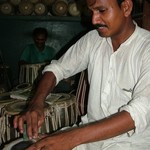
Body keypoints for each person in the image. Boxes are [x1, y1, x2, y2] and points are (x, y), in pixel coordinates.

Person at [13, 0, 150, 149]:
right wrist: (36, 103)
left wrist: (71, 138)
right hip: (88, 140)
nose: (94, 20)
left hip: (132, 143)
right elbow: (57, 69)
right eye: (92, 11)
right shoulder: (93, 39)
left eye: (101, 11)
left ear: (126, 7)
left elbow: (140, 111)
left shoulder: (146, 48)